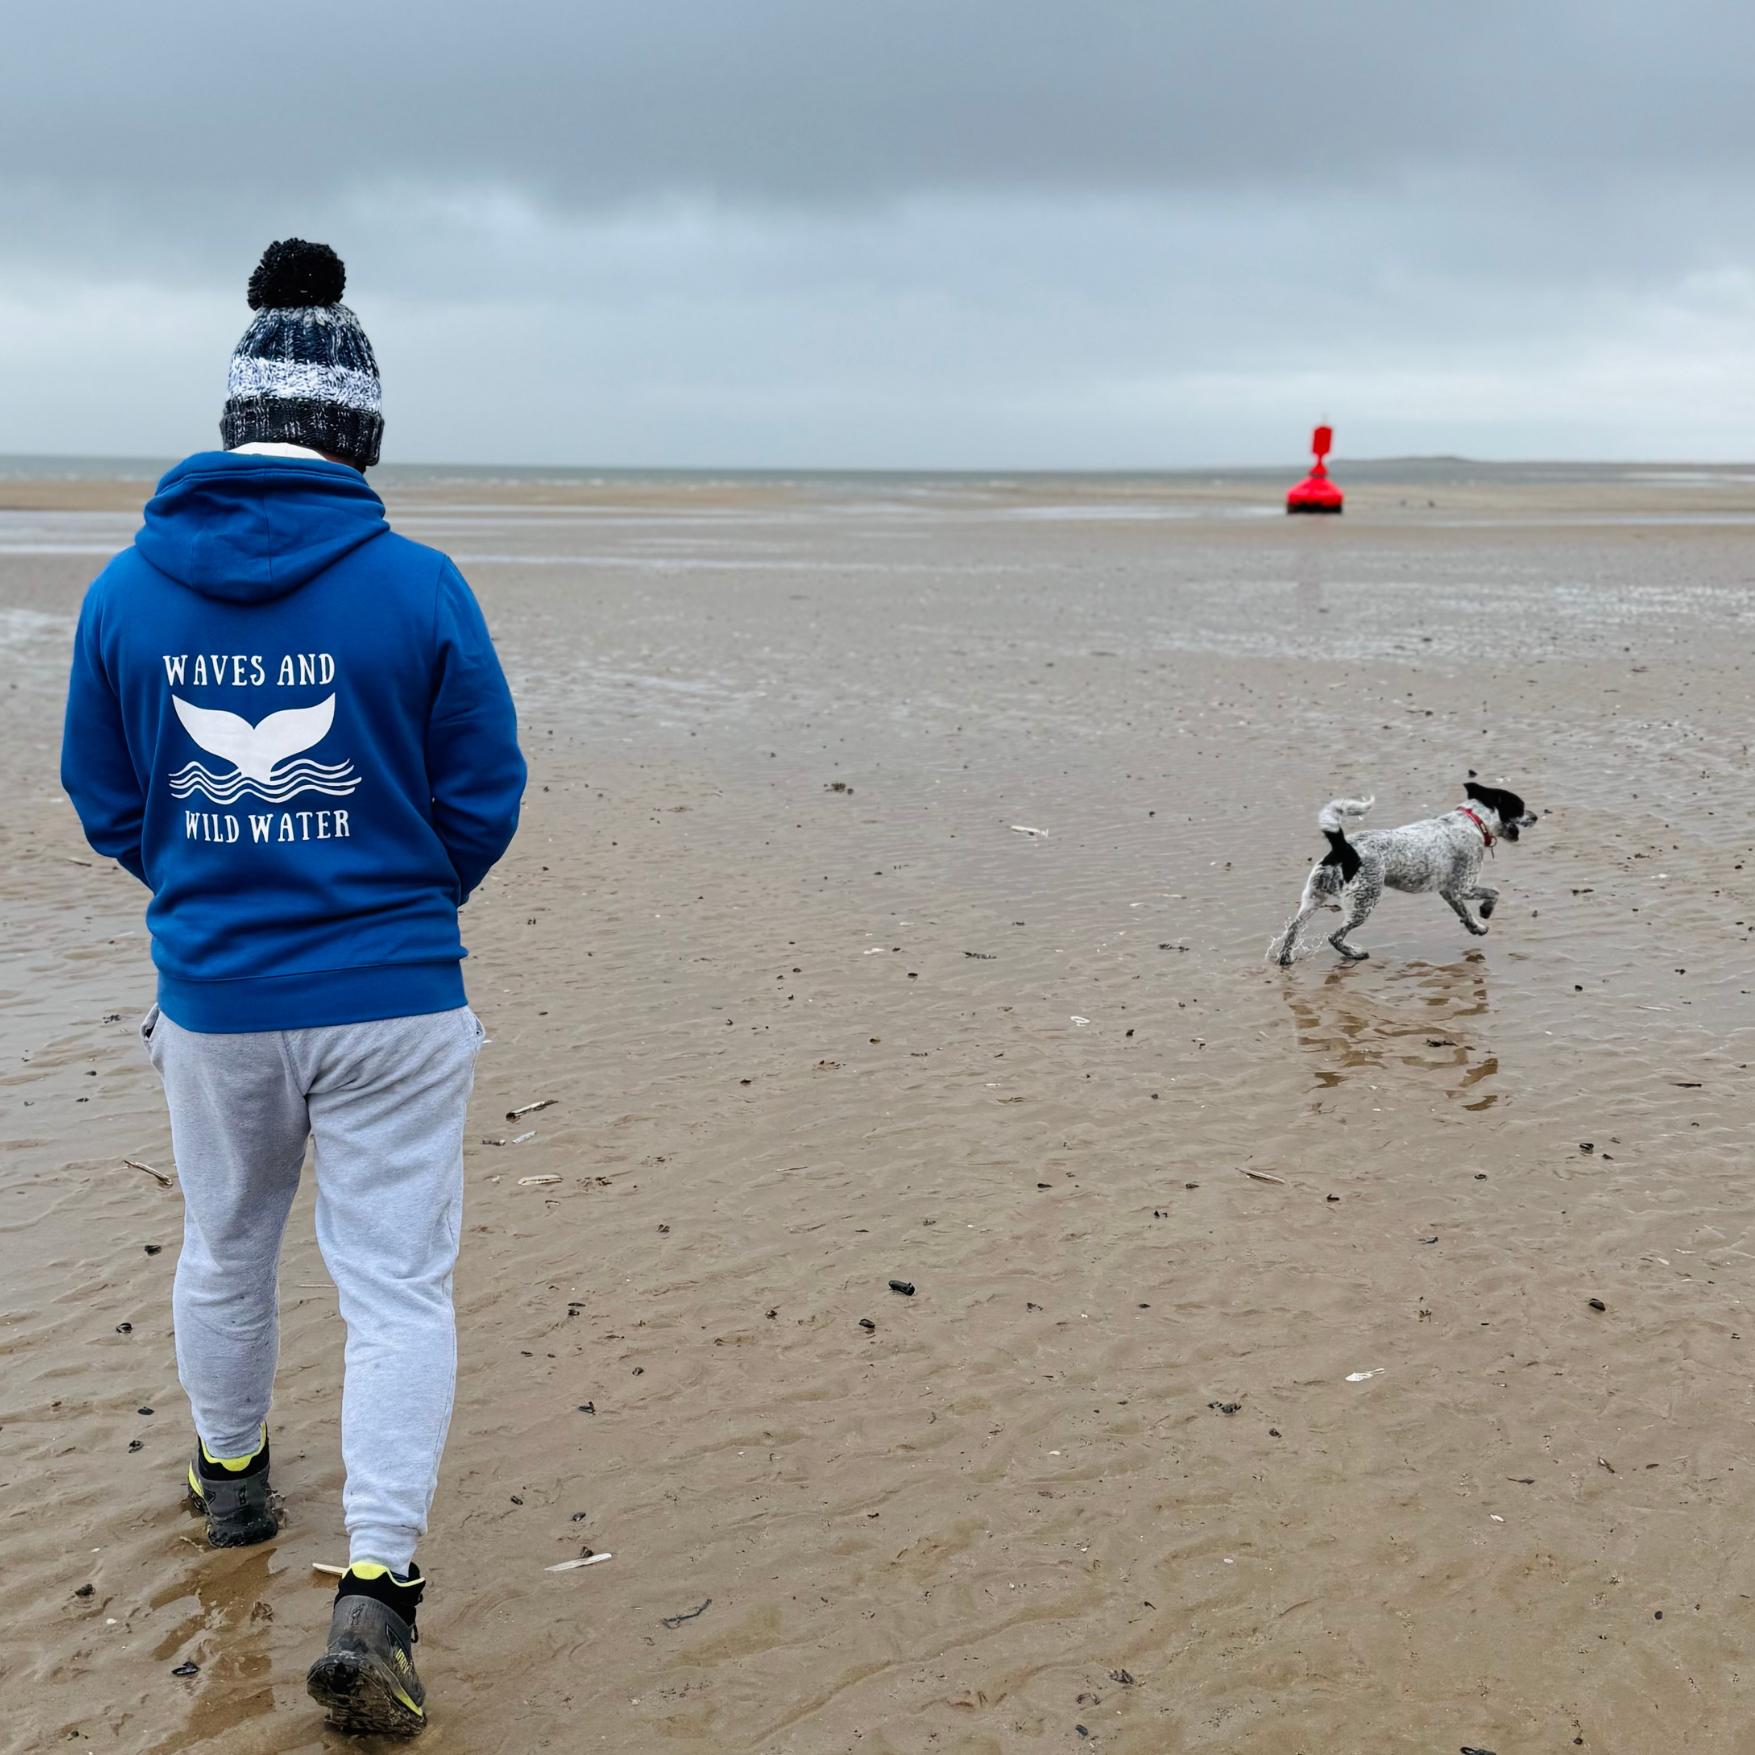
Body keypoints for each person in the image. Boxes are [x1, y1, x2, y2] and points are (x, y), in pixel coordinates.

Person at [60, 238, 526, 1737]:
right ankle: (377, 1588)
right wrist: (393, 902)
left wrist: (218, 890)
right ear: (362, 436)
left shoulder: (128, 592)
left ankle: (235, 1482)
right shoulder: (420, 584)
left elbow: (110, 798)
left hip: (219, 994)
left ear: (230, 423)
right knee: (394, 1286)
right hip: (396, 991)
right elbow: (486, 794)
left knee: (225, 1243)